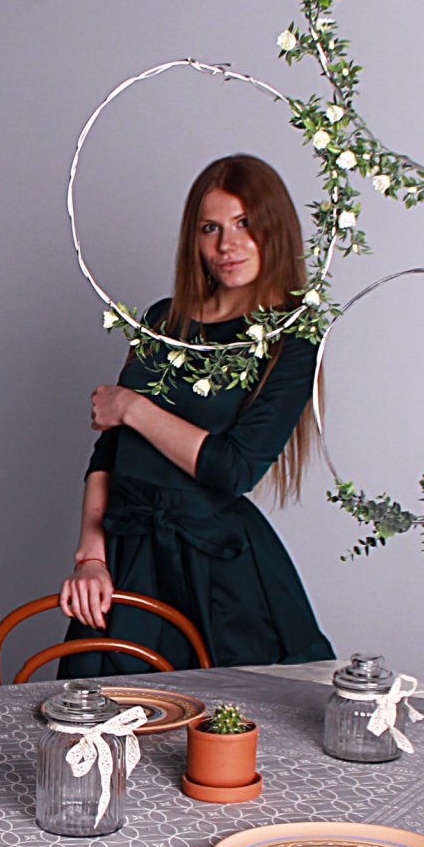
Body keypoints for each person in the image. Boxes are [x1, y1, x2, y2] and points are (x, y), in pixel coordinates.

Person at [58, 154, 333, 675]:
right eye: (211, 228)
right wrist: (91, 557)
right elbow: (110, 450)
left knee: (231, 716)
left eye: (244, 224)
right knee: (96, 710)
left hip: (220, 569)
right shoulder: (164, 320)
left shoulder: (292, 340)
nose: (227, 245)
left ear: (275, 230)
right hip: (128, 553)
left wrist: (132, 407)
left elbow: (232, 469)